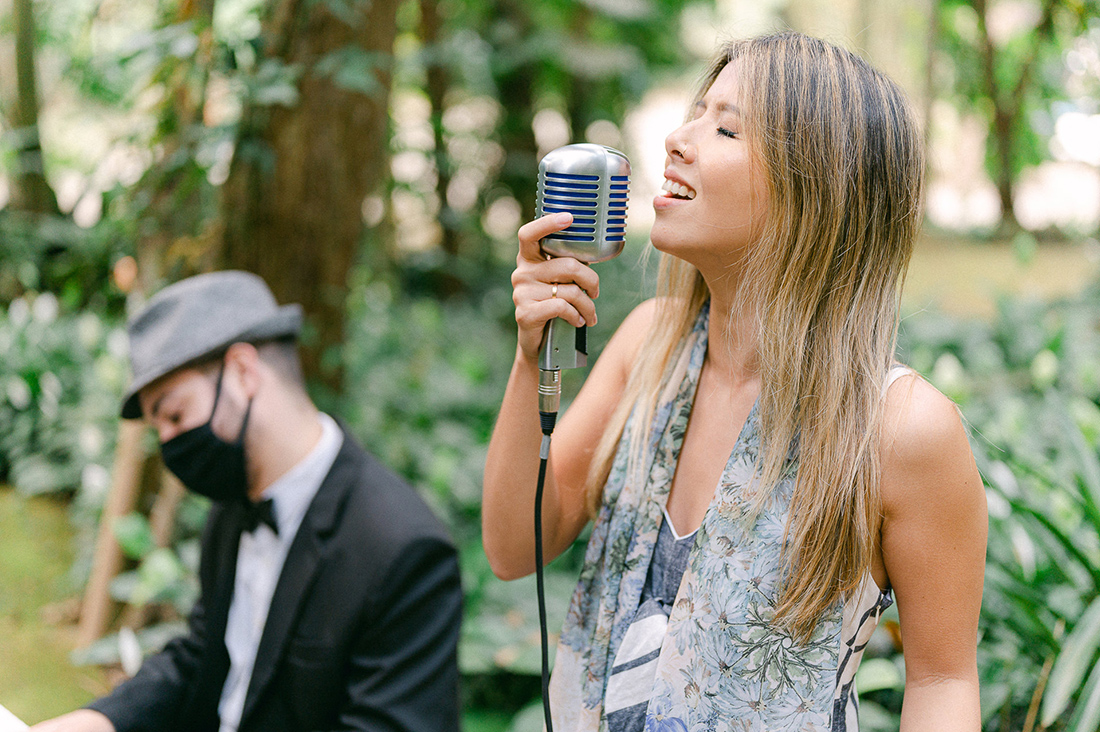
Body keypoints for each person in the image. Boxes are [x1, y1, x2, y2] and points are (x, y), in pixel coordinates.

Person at [483, 31, 987, 732]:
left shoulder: (903, 429)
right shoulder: (645, 351)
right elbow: (514, 548)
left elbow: (942, 680)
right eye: (696, 113)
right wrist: (530, 356)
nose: (677, 141)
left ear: (818, 187)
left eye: (724, 128)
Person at [32, 271, 463, 732]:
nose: (170, 443)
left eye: (175, 414)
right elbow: (205, 654)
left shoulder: (403, 550)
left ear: (243, 372)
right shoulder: (232, 507)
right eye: (159, 430)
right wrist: (96, 722)